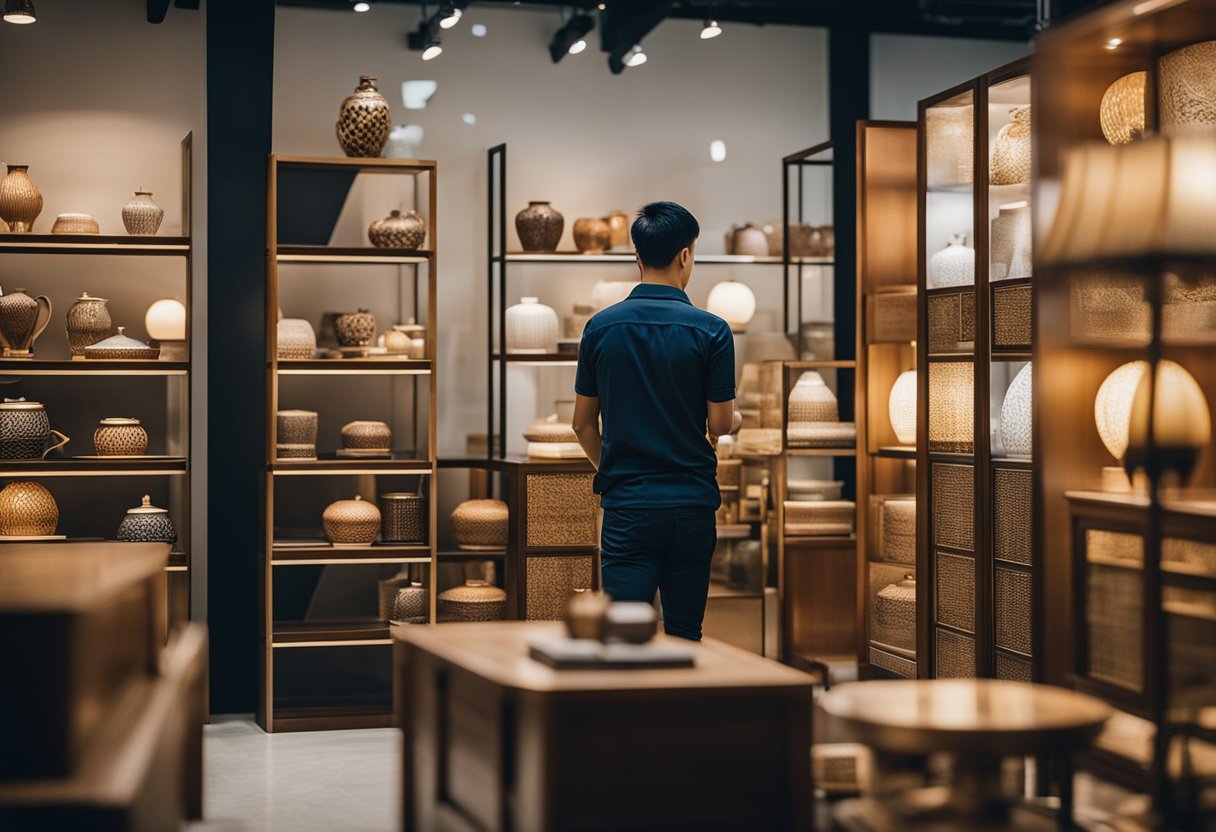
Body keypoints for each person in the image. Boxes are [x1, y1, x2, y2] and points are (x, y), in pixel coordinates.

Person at [572, 201, 741, 641]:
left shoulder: (600, 328)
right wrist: (734, 419)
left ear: (637, 257)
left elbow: (582, 425)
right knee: (685, 633)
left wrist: (612, 471)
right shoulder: (712, 331)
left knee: (625, 638)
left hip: (628, 507)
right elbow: (720, 424)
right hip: (691, 506)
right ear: (686, 255)